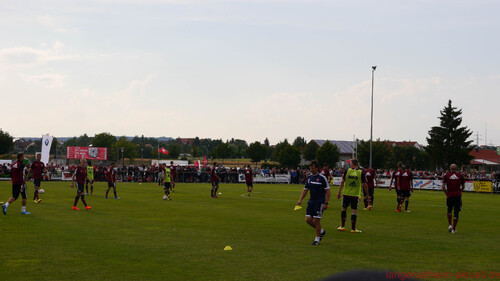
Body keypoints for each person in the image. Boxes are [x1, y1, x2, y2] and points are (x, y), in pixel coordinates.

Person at [296, 160, 330, 245]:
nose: (311, 169)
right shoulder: (309, 178)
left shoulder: (322, 178)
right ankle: (321, 231)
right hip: (311, 201)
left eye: (313, 168)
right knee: (308, 220)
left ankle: (317, 239)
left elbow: (328, 191)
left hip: (319, 202)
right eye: (310, 168)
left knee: (316, 220)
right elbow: (305, 190)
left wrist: (326, 203)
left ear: (317, 168)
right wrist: (300, 200)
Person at [337, 159, 369, 233]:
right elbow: (365, 184)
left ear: (352, 163)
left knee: (344, 209)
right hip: (355, 194)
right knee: (354, 211)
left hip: (346, 193)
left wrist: (339, 192)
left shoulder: (347, 171)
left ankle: (342, 226)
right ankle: (353, 229)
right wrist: (367, 194)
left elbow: (342, 182)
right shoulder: (361, 172)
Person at [442, 164, 465, 233]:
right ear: (457, 168)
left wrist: (446, 193)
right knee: (456, 212)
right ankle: (454, 229)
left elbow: (443, 186)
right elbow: (463, 186)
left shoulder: (446, 176)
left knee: (449, 210)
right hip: (457, 195)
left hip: (449, 195)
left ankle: (450, 225)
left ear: (450, 169)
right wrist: (459, 191)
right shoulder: (460, 176)